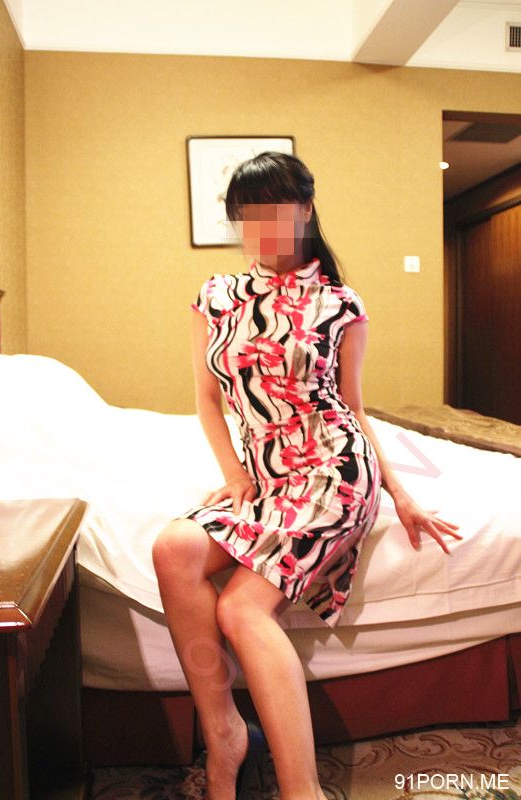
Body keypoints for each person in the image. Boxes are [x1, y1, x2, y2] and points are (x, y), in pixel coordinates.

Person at [152, 151, 462, 800]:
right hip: (268, 481)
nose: (261, 226)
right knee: (173, 547)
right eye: (248, 214)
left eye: (276, 209)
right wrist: (236, 473)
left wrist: (399, 493)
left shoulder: (339, 305)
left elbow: (353, 409)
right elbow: (207, 400)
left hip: (332, 476)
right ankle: (224, 734)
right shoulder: (215, 297)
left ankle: (303, 791)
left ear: (305, 210)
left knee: (241, 608)